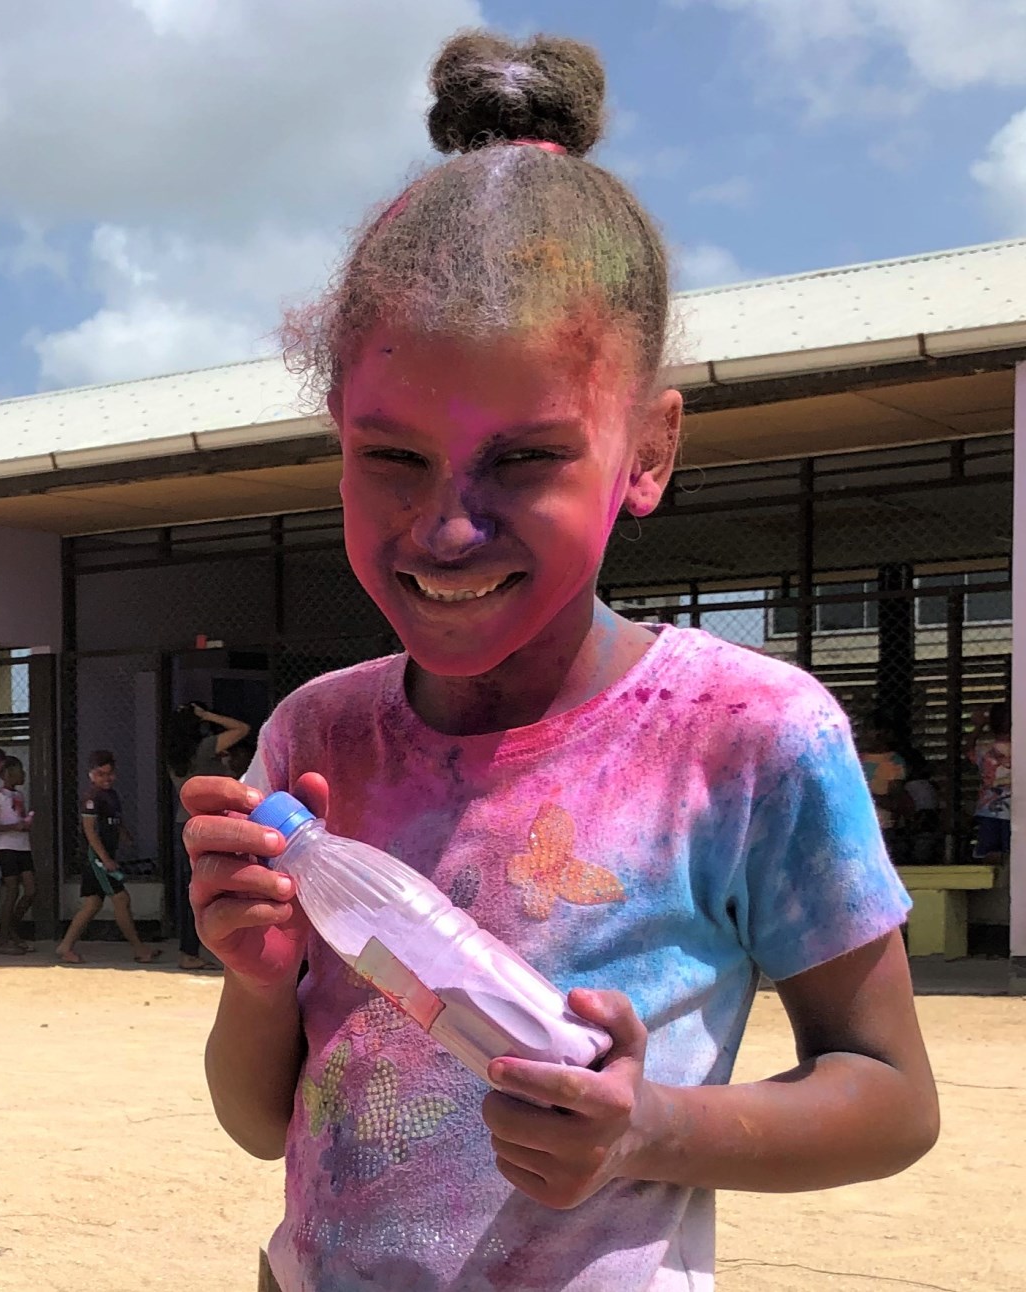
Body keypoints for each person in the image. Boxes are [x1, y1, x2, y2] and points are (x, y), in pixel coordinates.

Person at [182, 30, 936, 1291]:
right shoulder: (318, 740)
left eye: (526, 458)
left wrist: (648, 1127)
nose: (447, 528)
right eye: (393, 457)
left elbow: (893, 1095)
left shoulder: (743, 733)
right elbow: (264, 1124)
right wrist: (258, 984)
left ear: (649, 450)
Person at [165, 703, 249, 969]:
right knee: (222, 886)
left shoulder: (174, 757)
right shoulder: (205, 747)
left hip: (184, 823)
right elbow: (242, 729)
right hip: (210, 825)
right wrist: (209, 715)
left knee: (191, 890)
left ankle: (188, 951)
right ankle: (224, 949)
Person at [56, 750, 159, 965]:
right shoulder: (91, 798)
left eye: (109, 773)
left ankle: (65, 946)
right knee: (121, 899)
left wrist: (125, 835)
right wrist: (105, 858)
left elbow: (115, 820)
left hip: (105, 856)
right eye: (100, 774)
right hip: (96, 858)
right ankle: (139, 949)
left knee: (93, 903)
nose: (106, 778)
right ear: (91, 774)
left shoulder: (111, 795)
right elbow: (90, 831)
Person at [0, 754, 35, 954]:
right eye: (20, 771)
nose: (24, 774)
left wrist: (26, 824)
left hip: (23, 846)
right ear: (9, 773)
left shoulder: (19, 795)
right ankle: (4, 939)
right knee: (12, 890)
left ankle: (12, 928)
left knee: (30, 890)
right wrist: (12, 827)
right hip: (6, 847)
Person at [859, 710, 911, 861]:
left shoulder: (894, 762)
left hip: (882, 826)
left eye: (869, 729)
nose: (864, 734)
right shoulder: (856, 759)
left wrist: (865, 796)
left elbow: (895, 802)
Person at [970, 702, 1010, 864]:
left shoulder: (984, 750)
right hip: (1013, 807)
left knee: (989, 851)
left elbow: (969, 749)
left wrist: (978, 727)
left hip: (989, 808)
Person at [902, 751, 943, 866]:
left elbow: (926, 812)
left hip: (921, 828)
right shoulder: (926, 785)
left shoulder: (915, 786)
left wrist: (915, 824)